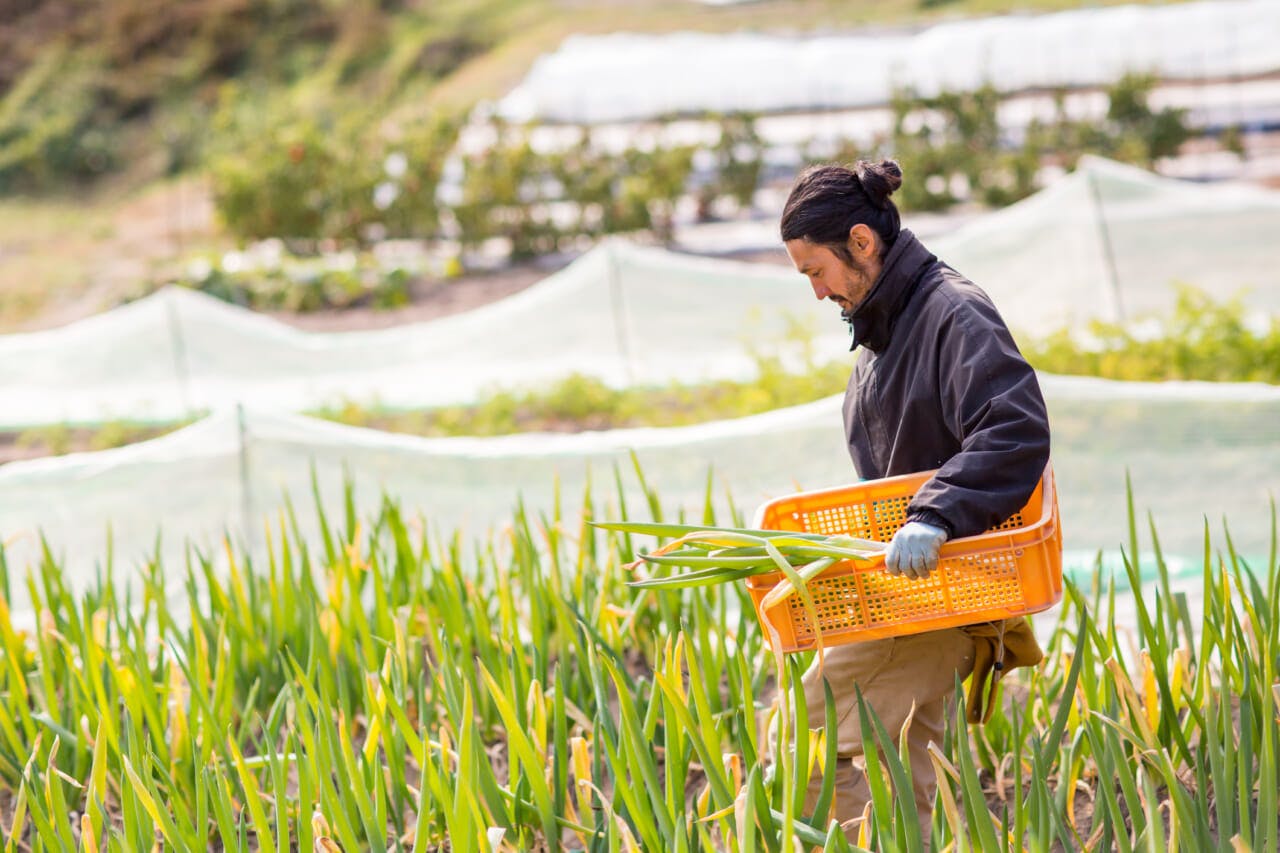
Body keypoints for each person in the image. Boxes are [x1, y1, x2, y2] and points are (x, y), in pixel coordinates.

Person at [776, 160, 1051, 841]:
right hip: (911, 593)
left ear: (862, 242)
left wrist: (935, 513)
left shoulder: (950, 311)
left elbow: (1014, 428)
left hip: (944, 590)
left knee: (806, 735)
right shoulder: (883, 325)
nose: (816, 291)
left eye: (815, 271)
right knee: (905, 776)